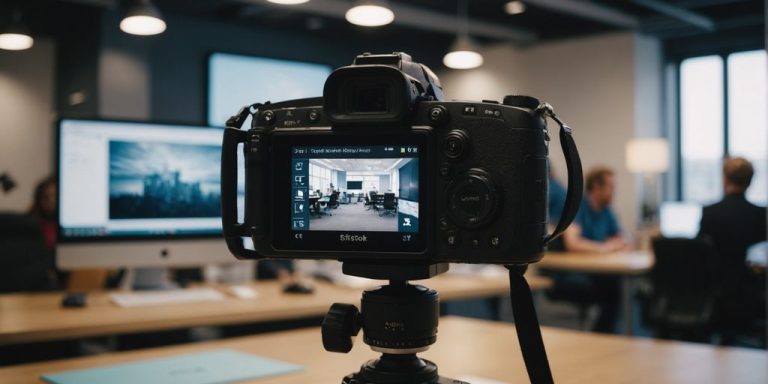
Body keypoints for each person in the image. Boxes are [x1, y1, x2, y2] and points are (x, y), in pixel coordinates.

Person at [698, 157, 767, 343]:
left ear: (725, 179)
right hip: (752, 289)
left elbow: (700, 250)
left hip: (714, 289)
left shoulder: (709, 212)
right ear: (750, 181)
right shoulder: (761, 215)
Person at [557, 166, 630, 333]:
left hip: (598, 270)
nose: (614, 192)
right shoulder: (577, 206)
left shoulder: (606, 210)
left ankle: (605, 332)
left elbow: (623, 238)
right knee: (612, 288)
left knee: (614, 285)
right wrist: (605, 247)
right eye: (610, 187)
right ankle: (604, 333)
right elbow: (573, 244)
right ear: (597, 187)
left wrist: (617, 243)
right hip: (574, 272)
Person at [28, 176, 57, 249]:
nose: (51, 201)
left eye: (55, 196)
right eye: (46, 197)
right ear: (39, 200)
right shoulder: (30, 224)